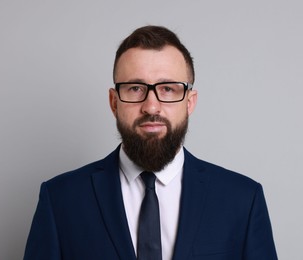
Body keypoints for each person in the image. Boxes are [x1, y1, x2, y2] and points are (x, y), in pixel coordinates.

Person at [24, 25, 278, 260]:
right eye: (135, 88)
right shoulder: (60, 199)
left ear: (190, 102)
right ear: (114, 102)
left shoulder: (242, 200)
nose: (151, 106)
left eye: (168, 88)